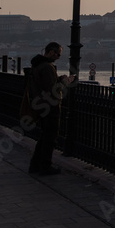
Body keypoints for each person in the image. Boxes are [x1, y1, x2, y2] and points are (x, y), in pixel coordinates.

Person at [27, 42, 74, 175]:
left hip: (40, 104)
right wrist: (65, 82)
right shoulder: (47, 67)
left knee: (44, 136)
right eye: (58, 53)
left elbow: (45, 83)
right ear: (51, 52)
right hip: (50, 106)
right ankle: (45, 166)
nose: (59, 56)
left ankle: (35, 165)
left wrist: (58, 79)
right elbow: (52, 89)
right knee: (50, 137)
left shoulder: (37, 65)